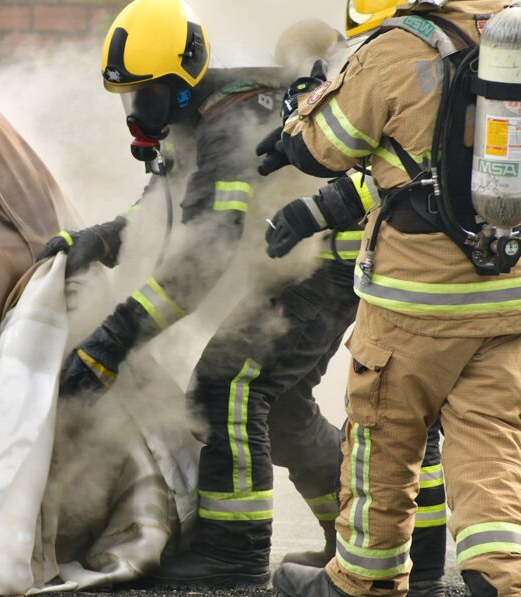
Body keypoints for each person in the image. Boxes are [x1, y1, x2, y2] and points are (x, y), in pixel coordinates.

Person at [38, 0, 451, 593]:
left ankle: (235, 553)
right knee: (280, 409)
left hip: (327, 263)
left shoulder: (232, 121)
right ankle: (359, 537)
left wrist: (111, 342)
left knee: (225, 386)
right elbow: (169, 208)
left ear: (186, 76)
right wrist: (101, 238)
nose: (139, 111)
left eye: (149, 94)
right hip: (302, 263)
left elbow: (202, 257)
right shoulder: (203, 112)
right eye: (130, 97)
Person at [255, 0, 521, 595]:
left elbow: (323, 147)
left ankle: (361, 581)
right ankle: (503, 579)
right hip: (507, 293)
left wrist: (305, 96)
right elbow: (412, 162)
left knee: (382, 439)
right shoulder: (510, 36)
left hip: (415, 303)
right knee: (491, 450)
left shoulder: (401, 48)